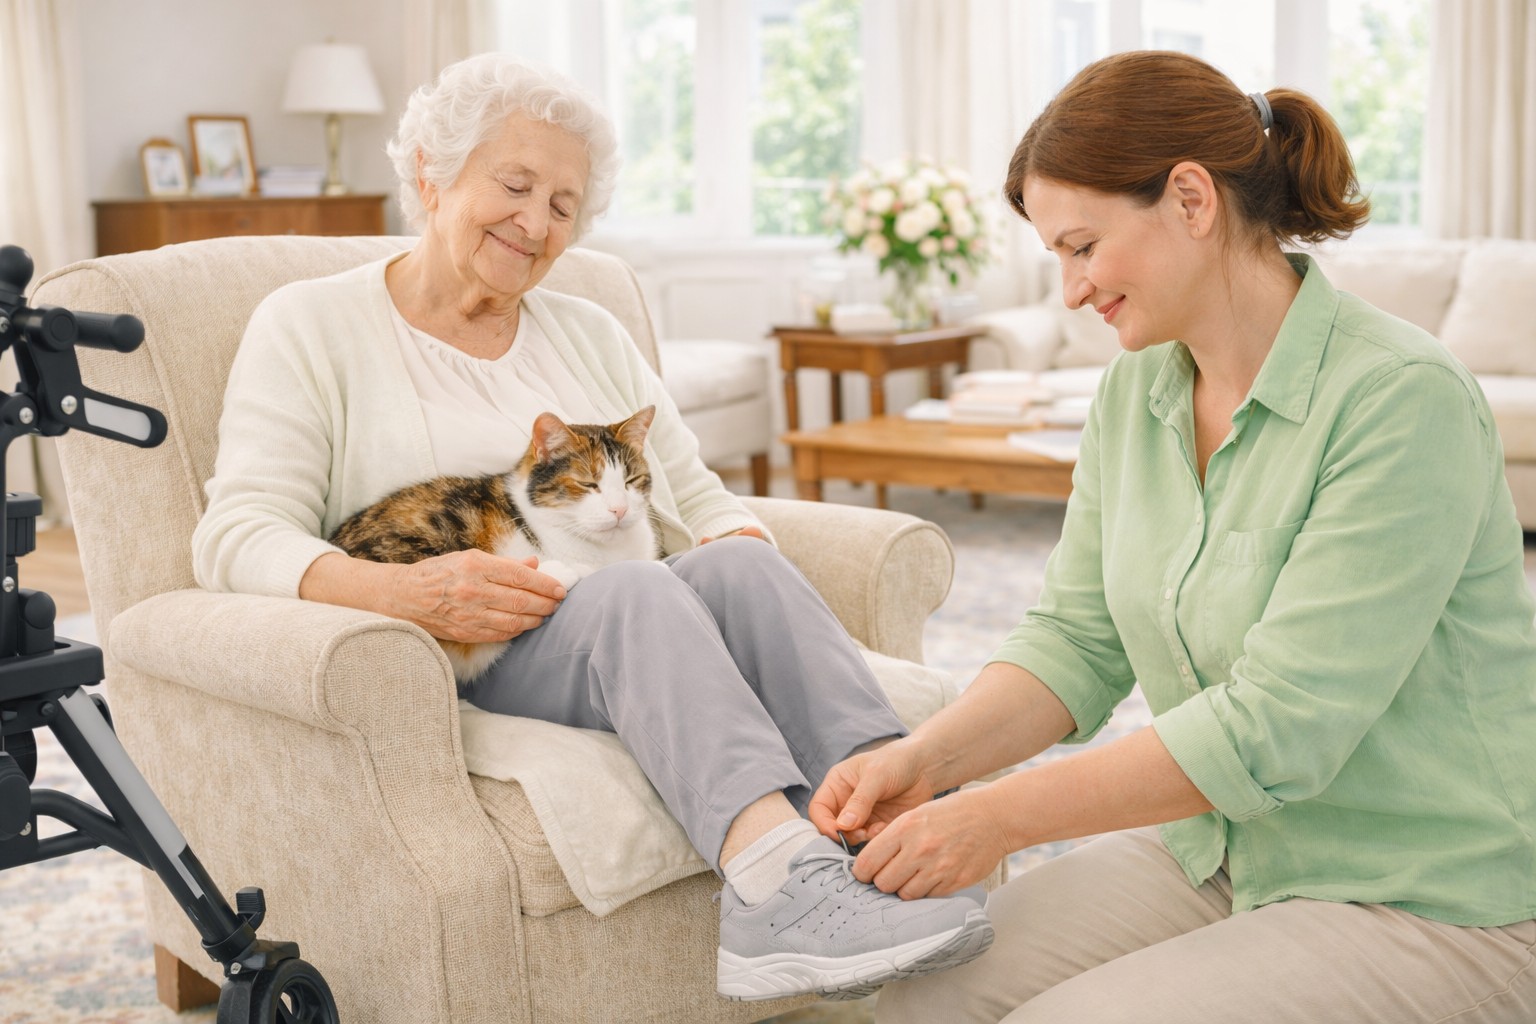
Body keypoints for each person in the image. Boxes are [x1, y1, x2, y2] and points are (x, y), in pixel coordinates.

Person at [190, 52, 992, 1003]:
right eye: (515, 185)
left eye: (563, 205)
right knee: (639, 590)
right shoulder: (310, 324)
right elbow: (235, 530)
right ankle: (776, 892)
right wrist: (398, 591)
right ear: (430, 177)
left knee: (745, 571)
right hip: (475, 640)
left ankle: (898, 839)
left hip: (613, 601)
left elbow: (699, 501)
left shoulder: (590, 332)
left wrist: (740, 558)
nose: (535, 223)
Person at [809, 49, 1536, 1023]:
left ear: (1192, 199)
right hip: (1224, 844)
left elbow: (1280, 727)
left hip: (1428, 888)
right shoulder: (1134, 391)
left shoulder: (1400, 399)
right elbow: (1078, 639)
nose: (1070, 290)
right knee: (910, 999)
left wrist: (996, 816)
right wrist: (929, 762)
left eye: (1081, 247)